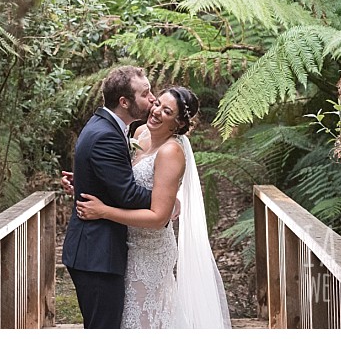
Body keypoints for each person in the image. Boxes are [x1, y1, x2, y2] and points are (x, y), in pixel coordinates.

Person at [75, 86, 231, 329]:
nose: (156, 111)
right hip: (125, 244)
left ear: (178, 123)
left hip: (151, 251)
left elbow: (159, 217)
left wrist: (103, 211)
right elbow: (120, 180)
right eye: (157, 103)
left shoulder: (171, 152)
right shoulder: (140, 132)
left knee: (144, 321)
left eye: (166, 111)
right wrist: (82, 181)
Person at [61, 65, 156, 329]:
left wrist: (82, 181)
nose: (152, 99)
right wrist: (166, 200)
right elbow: (127, 194)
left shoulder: (103, 125)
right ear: (124, 102)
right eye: (145, 94)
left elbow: (106, 178)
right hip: (97, 255)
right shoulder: (107, 136)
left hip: (95, 251)